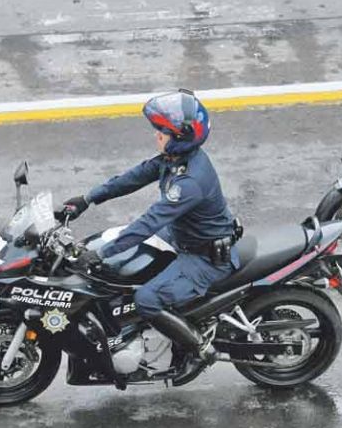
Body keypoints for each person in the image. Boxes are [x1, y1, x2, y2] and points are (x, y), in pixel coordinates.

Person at [61, 89, 240, 384]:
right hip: (182, 237)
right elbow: (135, 176)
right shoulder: (176, 158)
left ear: (180, 137)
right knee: (117, 261)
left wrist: (101, 254)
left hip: (205, 257)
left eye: (162, 131)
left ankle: (200, 350)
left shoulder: (190, 181)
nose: (156, 135)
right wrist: (87, 198)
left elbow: (149, 222)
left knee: (146, 299)